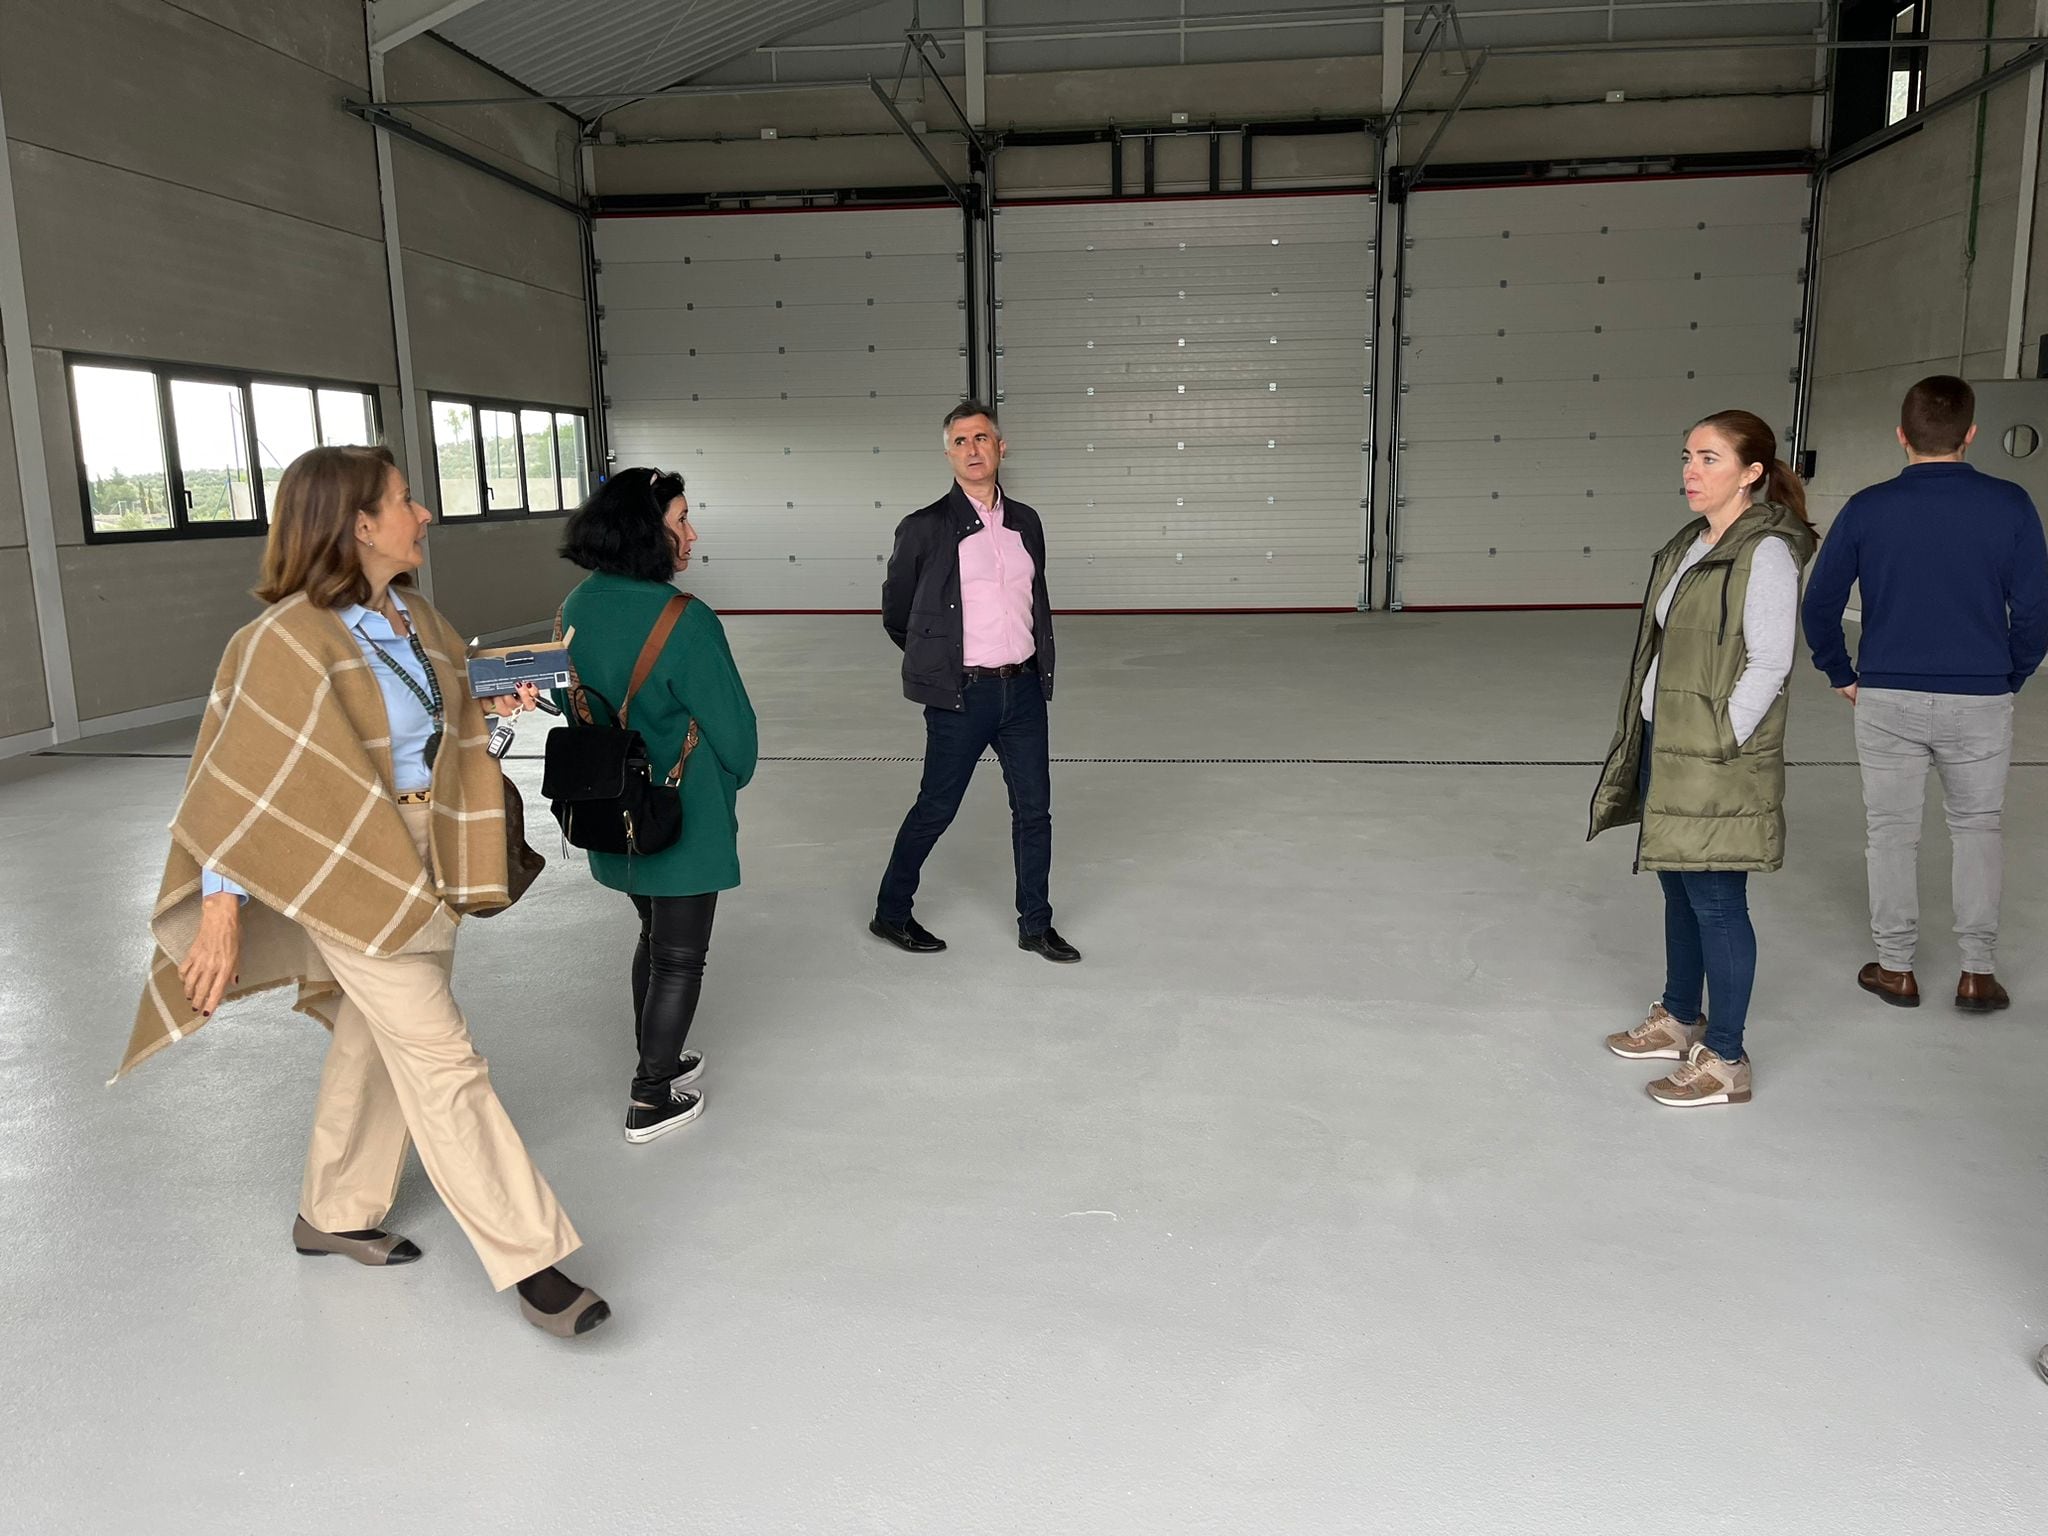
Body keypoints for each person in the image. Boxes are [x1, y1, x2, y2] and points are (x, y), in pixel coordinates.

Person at [121, 445, 606, 1337]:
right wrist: (220, 908)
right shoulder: (280, 641)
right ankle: (533, 1258)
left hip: (427, 846)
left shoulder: (412, 615)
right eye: (406, 500)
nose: (423, 514)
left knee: (373, 1035)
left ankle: (332, 1213)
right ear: (358, 524)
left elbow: (443, 703)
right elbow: (240, 782)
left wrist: (489, 705)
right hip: (346, 863)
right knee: (440, 1054)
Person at [1589, 411, 1818, 1106]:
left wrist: (1722, 741)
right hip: (1670, 738)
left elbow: (1772, 662)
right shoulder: (1694, 541)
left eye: (1710, 458)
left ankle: (1725, 1059)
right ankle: (1680, 1015)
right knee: (1676, 884)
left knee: (1717, 901)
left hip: (1713, 753)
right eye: (1687, 455)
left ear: (1752, 472)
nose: (1692, 470)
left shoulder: (1766, 552)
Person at [1801, 375, 2048, 1012]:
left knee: (1890, 833)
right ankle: (1978, 973)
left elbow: (1821, 603)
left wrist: (1841, 672)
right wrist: (2009, 675)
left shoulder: (1867, 507)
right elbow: (2036, 611)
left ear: (1901, 436)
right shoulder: (2012, 503)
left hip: (1887, 696)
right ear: (1970, 433)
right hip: (1981, 697)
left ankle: (1896, 966)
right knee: (1978, 830)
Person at [557, 468, 757, 1145]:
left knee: (652, 933)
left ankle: (660, 1055)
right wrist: (731, 778)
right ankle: (650, 1096)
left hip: (612, 810)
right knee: (680, 955)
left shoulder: (574, 606)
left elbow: (569, 701)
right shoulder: (684, 619)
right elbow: (736, 734)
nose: (691, 533)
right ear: (648, 532)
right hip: (683, 811)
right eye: (680, 520)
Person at [871, 402, 1079, 963]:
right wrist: (941, 665)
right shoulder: (923, 528)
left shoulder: (1026, 522)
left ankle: (1036, 924)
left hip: (1024, 690)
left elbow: (1033, 601)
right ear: (948, 454)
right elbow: (899, 615)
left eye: (982, 438)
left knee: (1034, 811)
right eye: (960, 441)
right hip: (962, 696)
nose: (973, 449)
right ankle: (891, 912)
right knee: (936, 808)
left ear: (1000, 447)